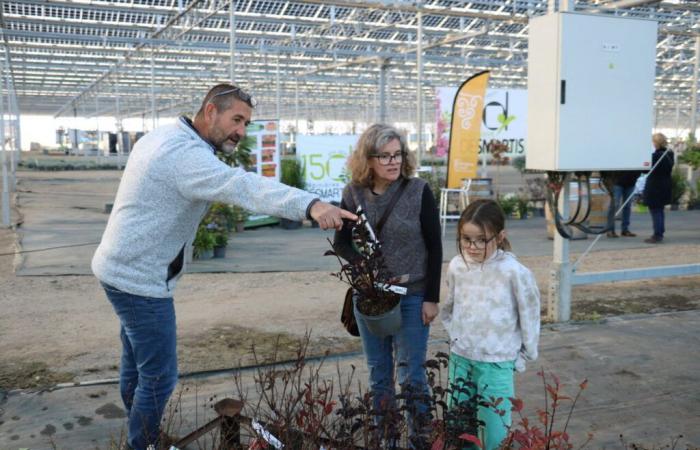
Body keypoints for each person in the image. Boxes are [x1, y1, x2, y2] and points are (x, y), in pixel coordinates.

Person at [91, 83, 356, 450]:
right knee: (160, 375)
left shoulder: (165, 136)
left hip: (120, 265)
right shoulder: (184, 156)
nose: (241, 131)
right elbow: (242, 187)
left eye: (246, 123)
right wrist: (310, 205)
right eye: (236, 119)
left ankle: (145, 435)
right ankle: (143, 443)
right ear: (210, 111)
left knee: (137, 361)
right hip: (139, 279)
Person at [333, 124, 442, 441]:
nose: (393, 162)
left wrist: (431, 297)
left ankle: (419, 442)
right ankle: (388, 441)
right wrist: (365, 270)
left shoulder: (418, 190)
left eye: (398, 154)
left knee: (412, 377)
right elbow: (341, 243)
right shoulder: (352, 194)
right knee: (379, 375)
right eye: (384, 156)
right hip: (371, 300)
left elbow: (434, 246)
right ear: (368, 159)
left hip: (412, 296)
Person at [440, 199, 540, 450]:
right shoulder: (456, 266)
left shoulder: (514, 271)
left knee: (494, 432)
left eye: (481, 240)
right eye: (466, 239)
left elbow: (530, 313)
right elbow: (450, 307)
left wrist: (525, 353)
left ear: (500, 235)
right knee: (459, 426)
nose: (472, 247)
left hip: (497, 362)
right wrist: (456, 338)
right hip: (460, 359)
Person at [643, 132, 674, 244]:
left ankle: (657, 234)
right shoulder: (669, 154)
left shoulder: (656, 156)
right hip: (665, 184)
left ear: (656, 143)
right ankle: (660, 231)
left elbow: (645, 170)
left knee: (655, 210)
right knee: (660, 210)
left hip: (655, 185)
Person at [606, 170, 641, 238]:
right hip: (617, 181)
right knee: (614, 205)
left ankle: (625, 229)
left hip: (631, 182)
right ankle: (610, 229)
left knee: (627, 206)